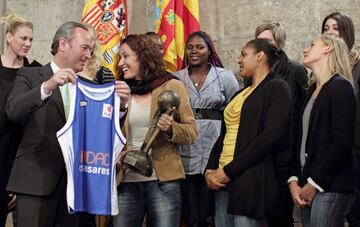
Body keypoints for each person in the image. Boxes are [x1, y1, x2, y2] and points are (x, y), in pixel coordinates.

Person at [5, 21, 130, 227]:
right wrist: (48, 86)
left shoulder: (88, 86)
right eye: (85, 48)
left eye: (90, 50)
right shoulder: (30, 75)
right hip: (36, 181)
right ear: (63, 44)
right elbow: (14, 110)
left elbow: (99, 131)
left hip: (76, 185)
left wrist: (122, 107)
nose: (89, 55)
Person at [205, 38, 292, 227]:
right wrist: (210, 170)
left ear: (259, 57)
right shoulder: (240, 94)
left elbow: (270, 136)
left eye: (244, 54)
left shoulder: (277, 87)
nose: (239, 59)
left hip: (250, 180)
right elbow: (224, 134)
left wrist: (229, 171)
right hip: (222, 180)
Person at [113, 34, 197, 227]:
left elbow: (192, 132)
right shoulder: (119, 90)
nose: (120, 63)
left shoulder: (171, 85)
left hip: (163, 182)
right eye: (120, 58)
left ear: (142, 56)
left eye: (126, 56)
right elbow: (105, 133)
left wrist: (170, 129)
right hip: (125, 182)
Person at [288, 34, 357, 227]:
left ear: (328, 49)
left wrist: (315, 184)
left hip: (330, 186)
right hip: (307, 185)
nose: (305, 49)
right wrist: (294, 181)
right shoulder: (310, 91)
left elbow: (341, 143)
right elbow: (299, 141)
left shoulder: (340, 87)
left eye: (312, 45)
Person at [174, 31, 239, 227]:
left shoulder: (224, 77)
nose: (194, 51)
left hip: (215, 148)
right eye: (190, 47)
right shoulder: (177, 78)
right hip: (187, 151)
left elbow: (235, 111)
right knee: (191, 212)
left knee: (213, 213)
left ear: (209, 51)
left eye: (200, 47)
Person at [252, 21, 309, 227]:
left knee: (282, 215)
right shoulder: (253, 72)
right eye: (259, 40)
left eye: (267, 40)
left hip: (287, 152)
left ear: (279, 42)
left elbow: (303, 114)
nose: (262, 44)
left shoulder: (296, 71)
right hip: (260, 154)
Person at [0, 14, 41, 227]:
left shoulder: (36, 71)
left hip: (23, 156)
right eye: (23, 38)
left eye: (31, 40)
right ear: (8, 37)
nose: (28, 44)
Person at [321, 12, 360, 226]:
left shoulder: (358, 66)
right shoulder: (320, 71)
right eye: (326, 28)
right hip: (330, 155)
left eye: (335, 28)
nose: (330, 32)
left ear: (347, 32)